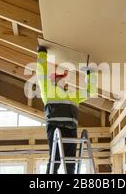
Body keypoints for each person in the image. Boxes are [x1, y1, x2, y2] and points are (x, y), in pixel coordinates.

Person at [36, 45, 96, 174]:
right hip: (55, 129)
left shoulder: (73, 95)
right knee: (55, 162)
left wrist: (91, 73)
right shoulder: (48, 91)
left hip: (71, 131)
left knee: (70, 166)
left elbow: (90, 92)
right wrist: (41, 54)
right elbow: (41, 74)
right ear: (55, 82)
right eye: (60, 78)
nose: (64, 80)